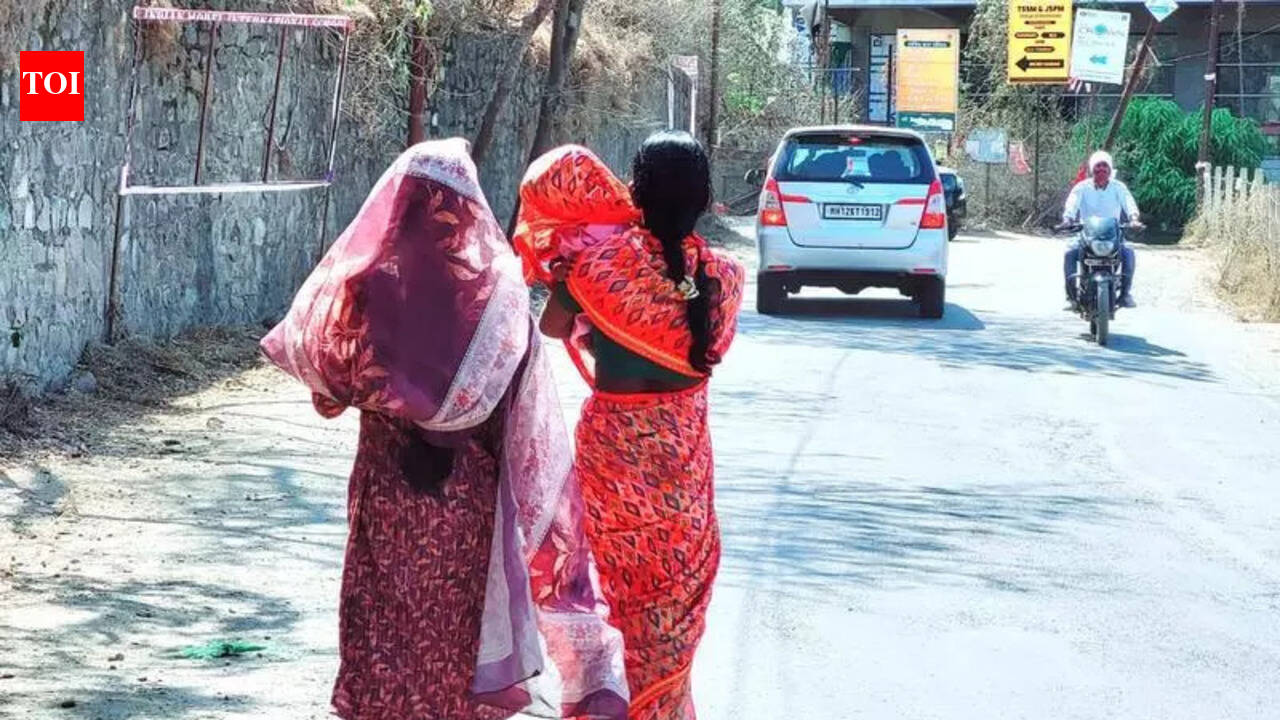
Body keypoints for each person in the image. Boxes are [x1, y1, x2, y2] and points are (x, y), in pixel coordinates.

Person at [260, 139, 629, 720]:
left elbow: (327, 397)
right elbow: (520, 424)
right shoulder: (499, 305)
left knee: (382, 644)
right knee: (454, 657)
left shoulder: (367, 287)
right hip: (465, 517)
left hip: (388, 506)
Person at [513, 133, 745, 720]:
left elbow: (552, 327)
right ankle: (663, 707)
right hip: (680, 462)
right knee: (672, 602)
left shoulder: (599, 266)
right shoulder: (724, 278)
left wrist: (574, 279)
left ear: (635, 193)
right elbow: (705, 351)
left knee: (625, 597)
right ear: (705, 198)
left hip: (613, 455)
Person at [1062, 150, 1143, 309]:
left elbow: (1128, 202)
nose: (1101, 169)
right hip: (1086, 235)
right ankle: (1071, 296)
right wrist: (1067, 219)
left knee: (1128, 254)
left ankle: (1125, 294)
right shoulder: (1082, 187)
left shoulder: (1118, 187)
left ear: (1110, 169)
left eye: (1105, 166)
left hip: (1113, 235)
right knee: (1069, 254)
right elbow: (1072, 203)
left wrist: (1134, 219)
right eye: (1098, 166)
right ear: (1092, 169)